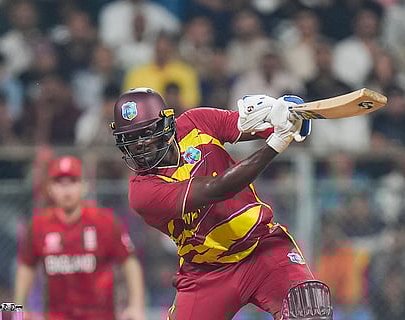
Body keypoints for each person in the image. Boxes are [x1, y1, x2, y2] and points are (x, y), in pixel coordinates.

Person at [110, 87, 333, 320]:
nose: (139, 146)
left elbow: (248, 125)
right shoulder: (142, 192)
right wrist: (277, 142)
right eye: (130, 139)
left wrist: (285, 114)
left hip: (262, 247)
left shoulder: (196, 122)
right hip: (207, 271)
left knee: (308, 312)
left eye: (146, 133)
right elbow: (217, 189)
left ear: (165, 126)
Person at [14, 155, 145, 320]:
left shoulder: (104, 221)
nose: (66, 190)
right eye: (60, 183)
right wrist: (20, 307)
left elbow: (130, 262)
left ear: (84, 186)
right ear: (49, 188)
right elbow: (26, 265)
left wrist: (136, 306)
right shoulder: (38, 226)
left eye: (73, 182)